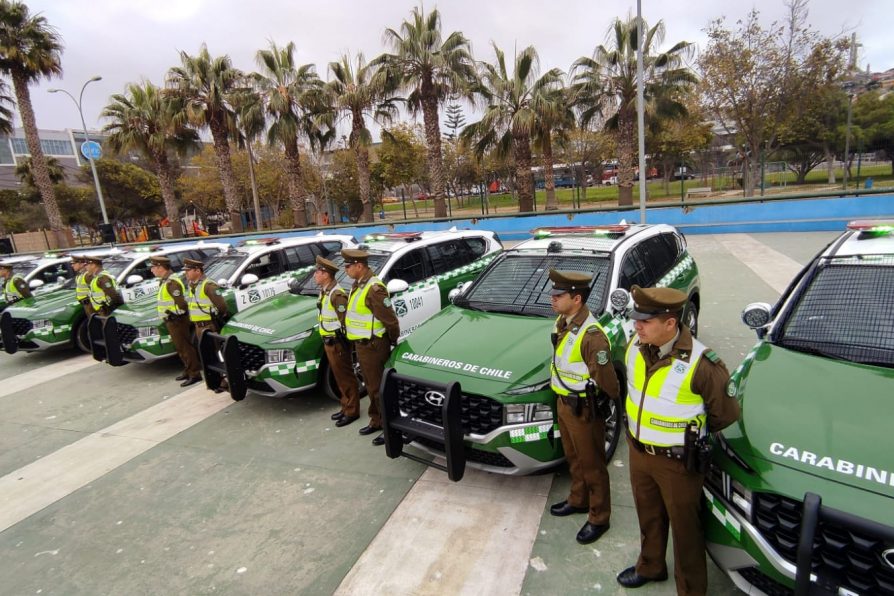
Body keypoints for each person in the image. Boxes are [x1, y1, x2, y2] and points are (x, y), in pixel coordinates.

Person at [617, 285, 740, 596]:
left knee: (686, 532)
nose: (636, 326)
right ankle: (651, 566)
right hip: (639, 451)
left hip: (678, 463)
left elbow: (724, 415)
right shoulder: (635, 345)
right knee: (648, 515)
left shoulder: (703, 365)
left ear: (670, 323)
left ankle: (691, 590)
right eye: (636, 319)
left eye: (645, 321)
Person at [547, 270, 620, 545]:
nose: (552, 299)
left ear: (576, 298)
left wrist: (603, 402)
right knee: (573, 457)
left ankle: (599, 517)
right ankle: (578, 499)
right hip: (565, 403)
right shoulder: (563, 321)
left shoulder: (592, 336)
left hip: (584, 409)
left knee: (593, 464)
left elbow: (608, 381)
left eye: (559, 295)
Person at [342, 248, 400, 446]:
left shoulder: (374, 288)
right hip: (363, 345)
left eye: (348, 266)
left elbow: (390, 319)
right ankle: (376, 420)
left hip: (374, 345)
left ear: (359, 266)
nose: (346, 269)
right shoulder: (358, 285)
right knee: (370, 386)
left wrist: (392, 340)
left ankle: (388, 427)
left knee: (378, 389)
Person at [314, 255, 361, 427]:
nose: (315, 275)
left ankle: (352, 410)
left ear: (326, 274)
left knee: (346, 377)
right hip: (329, 341)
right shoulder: (325, 291)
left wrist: (345, 343)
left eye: (317, 272)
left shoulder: (337, 295)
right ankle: (345, 405)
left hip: (337, 342)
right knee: (339, 377)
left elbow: (345, 321)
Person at [150, 255, 201, 386]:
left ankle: (195, 373)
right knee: (179, 347)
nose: (151, 270)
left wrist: (174, 314)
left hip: (177, 320)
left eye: (153, 267)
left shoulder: (172, 283)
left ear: (160, 267)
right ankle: (188, 370)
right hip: (172, 320)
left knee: (185, 347)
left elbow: (182, 304)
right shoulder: (165, 281)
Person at [184, 257, 229, 388]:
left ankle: (226, 379)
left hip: (209, 325)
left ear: (197, 271)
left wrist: (215, 317)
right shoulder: (193, 285)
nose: (185, 273)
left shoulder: (209, 285)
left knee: (218, 353)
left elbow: (222, 306)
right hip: (199, 326)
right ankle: (216, 380)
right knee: (208, 355)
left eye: (188, 271)